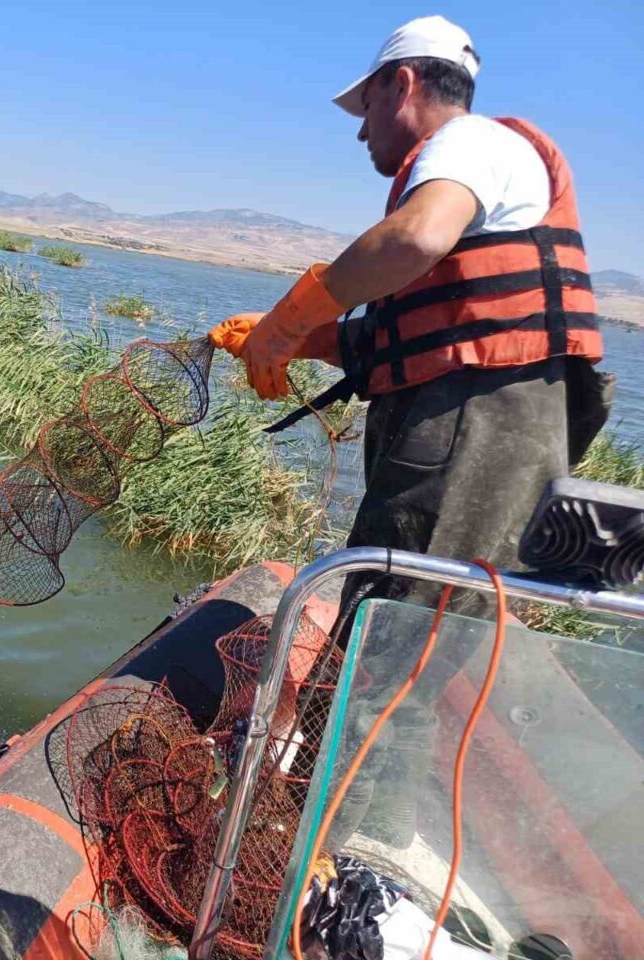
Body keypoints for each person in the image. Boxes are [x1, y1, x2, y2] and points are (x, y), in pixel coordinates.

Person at [207, 16, 616, 853]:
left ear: (404, 84)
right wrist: (284, 337)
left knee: (392, 649)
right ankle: (333, 834)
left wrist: (293, 317)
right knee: (394, 629)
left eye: (366, 107)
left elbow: (415, 239)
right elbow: (400, 334)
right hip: (477, 437)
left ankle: (339, 859)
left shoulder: (468, 147)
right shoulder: (484, 182)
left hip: (475, 442)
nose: (360, 129)